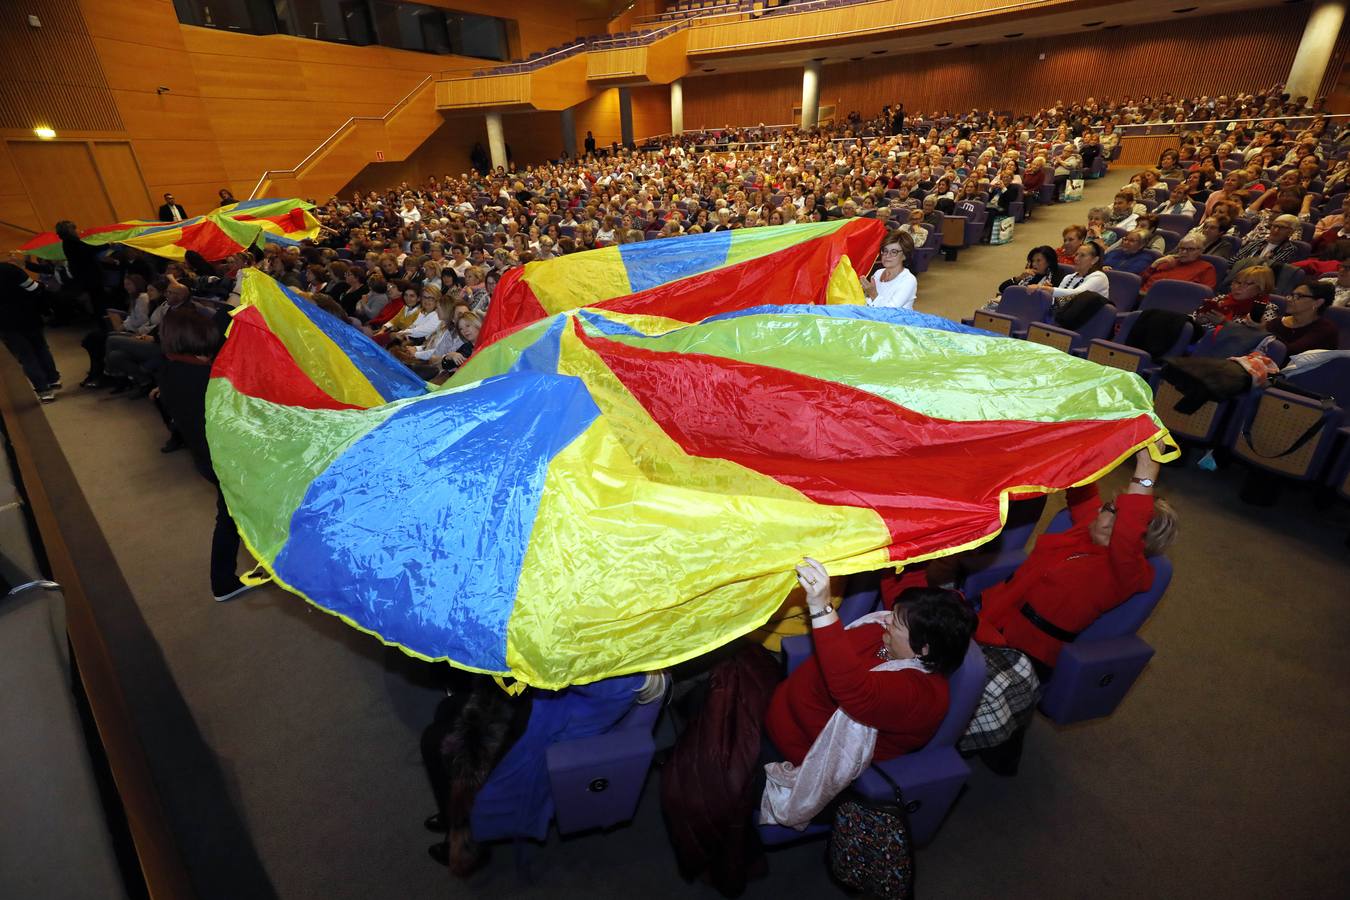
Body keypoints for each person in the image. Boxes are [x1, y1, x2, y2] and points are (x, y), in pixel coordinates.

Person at [975, 444, 1176, 676]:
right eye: (1111, 508)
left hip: (1022, 655)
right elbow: (1080, 482)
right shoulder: (1088, 527)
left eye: (1118, 515)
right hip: (989, 616)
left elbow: (1128, 530)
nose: (1104, 512)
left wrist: (1147, 468)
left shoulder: (1128, 572)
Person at [764, 560, 976, 767]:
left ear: (924, 649)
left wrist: (822, 608)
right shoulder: (897, 632)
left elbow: (853, 689)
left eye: (897, 623)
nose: (886, 619)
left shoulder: (921, 695)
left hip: (798, 757)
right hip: (777, 714)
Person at [152, 307, 267, 602]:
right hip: (229, 460)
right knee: (237, 516)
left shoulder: (168, 368)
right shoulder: (208, 378)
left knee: (232, 515)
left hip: (206, 459)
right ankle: (225, 582)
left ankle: (227, 580)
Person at [0, 255, 59, 401]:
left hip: (5, 323)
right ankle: (53, 379)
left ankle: (43, 391)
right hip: (28, 316)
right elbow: (32, 288)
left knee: (26, 356)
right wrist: (42, 286)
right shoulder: (10, 269)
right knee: (41, 347)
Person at [1265, 282, 1339, 354]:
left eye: (1298, 296)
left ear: (1318, 303)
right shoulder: (1278, 322)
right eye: (1291, 295)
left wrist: (1262, 331)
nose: (1289, 299)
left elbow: (1290, 353)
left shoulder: (1325, 330)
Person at [1193, 265, 1275, 325]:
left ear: (1261, 289)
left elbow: (1254, 336)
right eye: (1237, 282)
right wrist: (1199, 320)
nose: (1238, 287)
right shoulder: (1222, 298)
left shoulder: (1266, 309)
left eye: (1247, 284)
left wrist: (1225, 323)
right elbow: (1194, 316)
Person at [1035, 240, 1109, 303]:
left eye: (1082, 255)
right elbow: (1058, 301)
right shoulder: (1068, 277)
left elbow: (1078, 294)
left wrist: (1050, 290)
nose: (1076, 258)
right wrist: (1047, 294)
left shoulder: (1100, 277)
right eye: (1076, 254)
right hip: (1065, 316)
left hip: (1089, 318)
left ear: (1094, 260)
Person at [861, 230, 917, 310]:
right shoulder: (878, 273)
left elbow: (891, 311)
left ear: (905, 255)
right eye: (885, 251)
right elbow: (869, 303)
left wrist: (872, 293)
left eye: (894, 252)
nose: (887, 255)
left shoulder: (908, 280)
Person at [1139, 237, 1217, 294]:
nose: (1184, 252)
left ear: (1200, 251)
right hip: (1141, 296)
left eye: (1190, 249)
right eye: (1181, 248)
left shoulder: (1206, 268)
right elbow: (1140, 281)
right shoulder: (1166, 261)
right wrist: (1155, 264)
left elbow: (1205, 294)